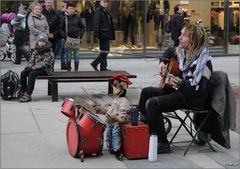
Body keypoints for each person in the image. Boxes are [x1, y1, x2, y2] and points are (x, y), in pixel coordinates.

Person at [138, 22, 213, 153]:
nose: (179, 37)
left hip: (192, 99)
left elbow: (199, 90)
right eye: (180, 34)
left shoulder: (204, 62)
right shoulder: (182, 52)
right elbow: (168, 51)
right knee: (146, 92)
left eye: (184, 35)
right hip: (180, 92)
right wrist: (163, 62)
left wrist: (178, 82)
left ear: (193, 40)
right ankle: (144, 129)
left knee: (152, 104)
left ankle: (162, 142)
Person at [94, 74, 132, 160]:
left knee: (115, 135)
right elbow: (110, 111)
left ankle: (118, 151)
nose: (113, 87)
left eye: (115, 85)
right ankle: (111, 148)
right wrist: (100, 109)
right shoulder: (116, 99)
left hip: (116, 124)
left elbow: (123, 118)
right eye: (113, 85)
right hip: (110, 123)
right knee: (108, 135)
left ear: (122, 86)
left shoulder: (124, 101)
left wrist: (114, 117)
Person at [19, 33, 54, 102]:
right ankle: (23, 91)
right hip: (36, 68)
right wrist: (29, 67)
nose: (41, 43)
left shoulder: (49, 51)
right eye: (40, 41)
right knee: (23, 73)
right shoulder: (36, 50)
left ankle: (28, 94)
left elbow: (44, 64)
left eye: (43, 41)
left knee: (32, 74)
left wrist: (33, 68)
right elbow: (31, 60)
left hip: (46, 69)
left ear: (46, 42)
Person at [60, 1, 85, 71]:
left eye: (72, 8)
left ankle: (76, 70)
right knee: (68, 56)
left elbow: (83, 27)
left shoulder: (78, 17)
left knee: (76, 55)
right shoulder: (64, 18)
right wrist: (64, 36)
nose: (71, 10)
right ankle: (68, 70)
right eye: (69, 8)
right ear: (67, 9)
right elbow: (60, 28)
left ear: (74, 9)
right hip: (68, 39)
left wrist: (80, 36)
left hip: (76, 39)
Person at [90, 0, 115, 71]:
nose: (106, 3)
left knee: (104, 51)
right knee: (105, 51)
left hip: (106, 34)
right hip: (103, 34)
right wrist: (96, 34)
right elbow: (96, 23)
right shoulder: (99, 10)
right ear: (100, 2)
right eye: (104, 2)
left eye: (107, 2)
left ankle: (103, 67)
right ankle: (95, 63)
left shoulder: (105, 11)